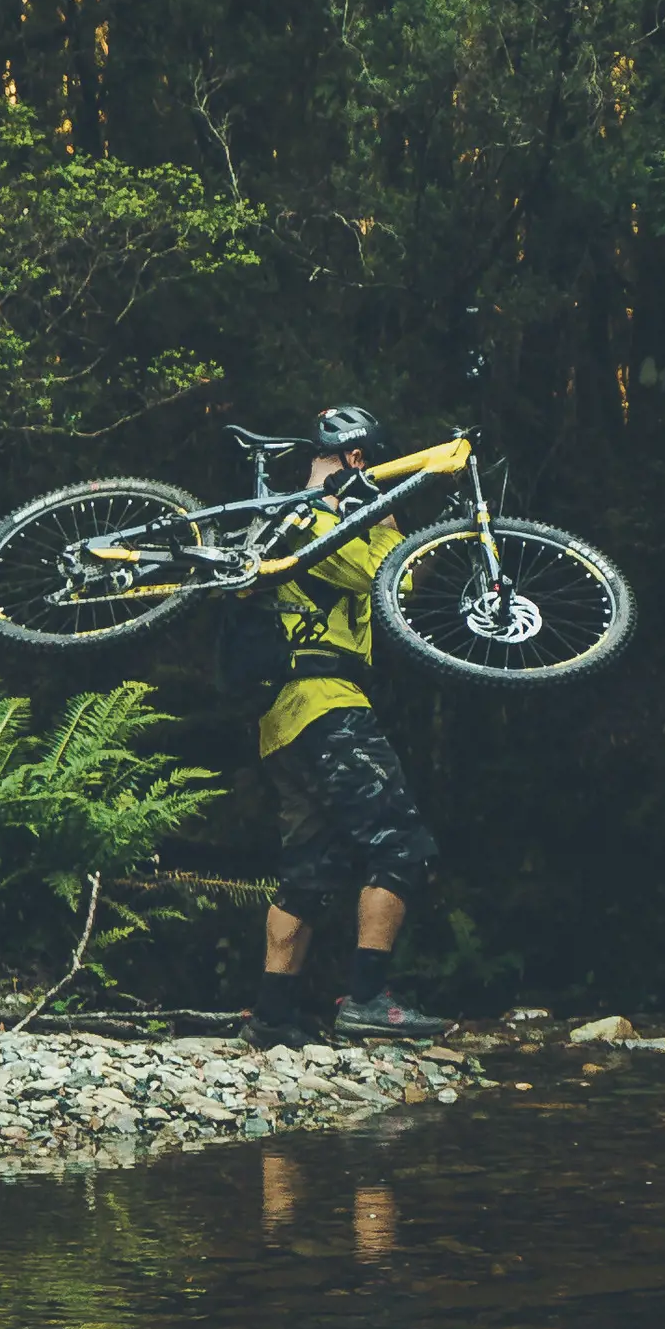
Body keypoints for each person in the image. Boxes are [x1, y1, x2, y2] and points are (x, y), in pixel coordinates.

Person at [225, 403, 449, 1042]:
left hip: (286, 719)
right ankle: (368, 999)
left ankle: (271, 1015)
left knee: (309, 871)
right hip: (324, 703)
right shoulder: (321, 515)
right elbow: (383, 575)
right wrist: (390, 518)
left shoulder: (286, 518)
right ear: (357, 458)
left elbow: (391, 583)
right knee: (401, 844)